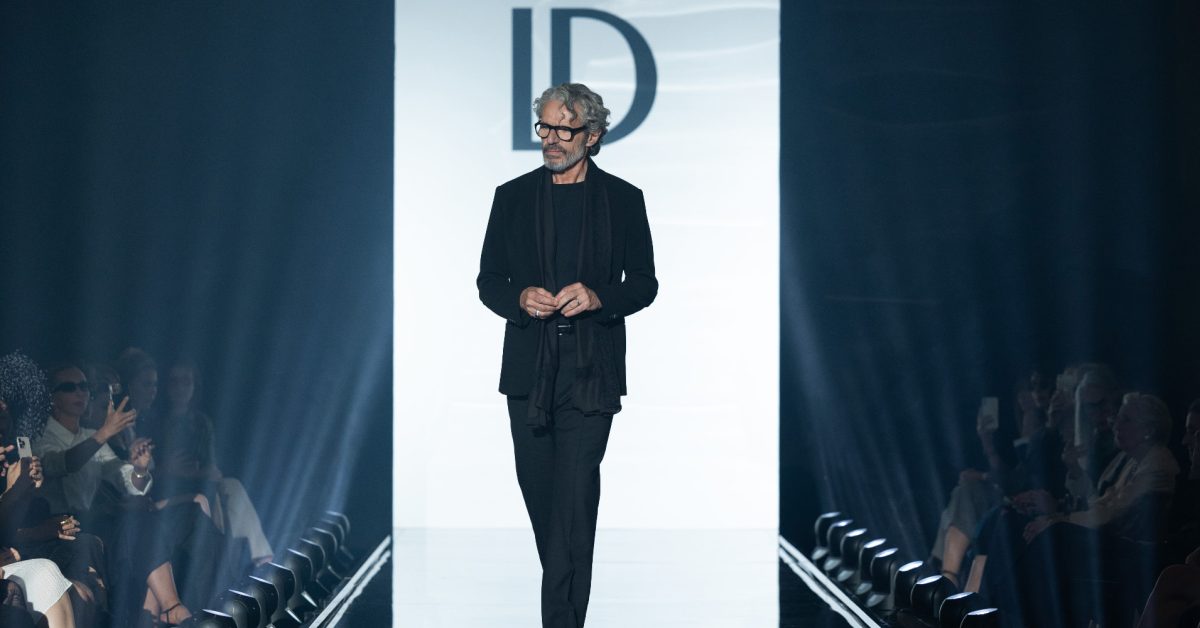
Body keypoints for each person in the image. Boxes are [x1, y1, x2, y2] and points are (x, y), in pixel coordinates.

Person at [477, 82, 657, 628]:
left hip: (590, 371)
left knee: (575, 505)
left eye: (564, 128)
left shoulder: (623, 199)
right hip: (528, 374)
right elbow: (489, 280)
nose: (551, 139)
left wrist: (600, 297)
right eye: (545, 127)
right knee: (545, 504)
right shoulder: (511, 197)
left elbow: (644, 283)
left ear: (592, 135)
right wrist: (519, 298)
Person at [156, 359, 273, 565]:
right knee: (212, 496)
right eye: (174, 382)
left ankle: (261, 558)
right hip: (168, 488)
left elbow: (211, 467)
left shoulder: (201, 423)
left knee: (231, 486)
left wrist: (193, 473)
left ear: (194, 386)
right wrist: (174, 470)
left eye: (186, 382)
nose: (180, 388)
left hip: (199, 481)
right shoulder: (158, 422)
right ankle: (225, 562)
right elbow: (159, 468)